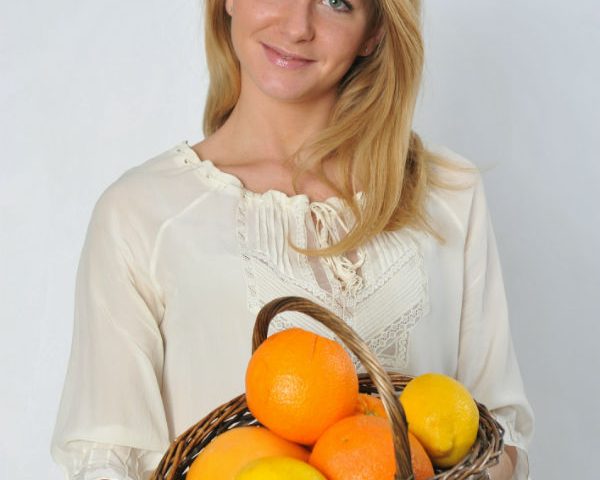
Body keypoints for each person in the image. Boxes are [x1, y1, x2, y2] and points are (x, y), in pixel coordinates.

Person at [50, 0, 534, 478]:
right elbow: (107, 459)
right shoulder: (142, 212)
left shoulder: (449, 193)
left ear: (374, 32)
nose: (298, 25)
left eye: (337, 2)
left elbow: (500, 434)